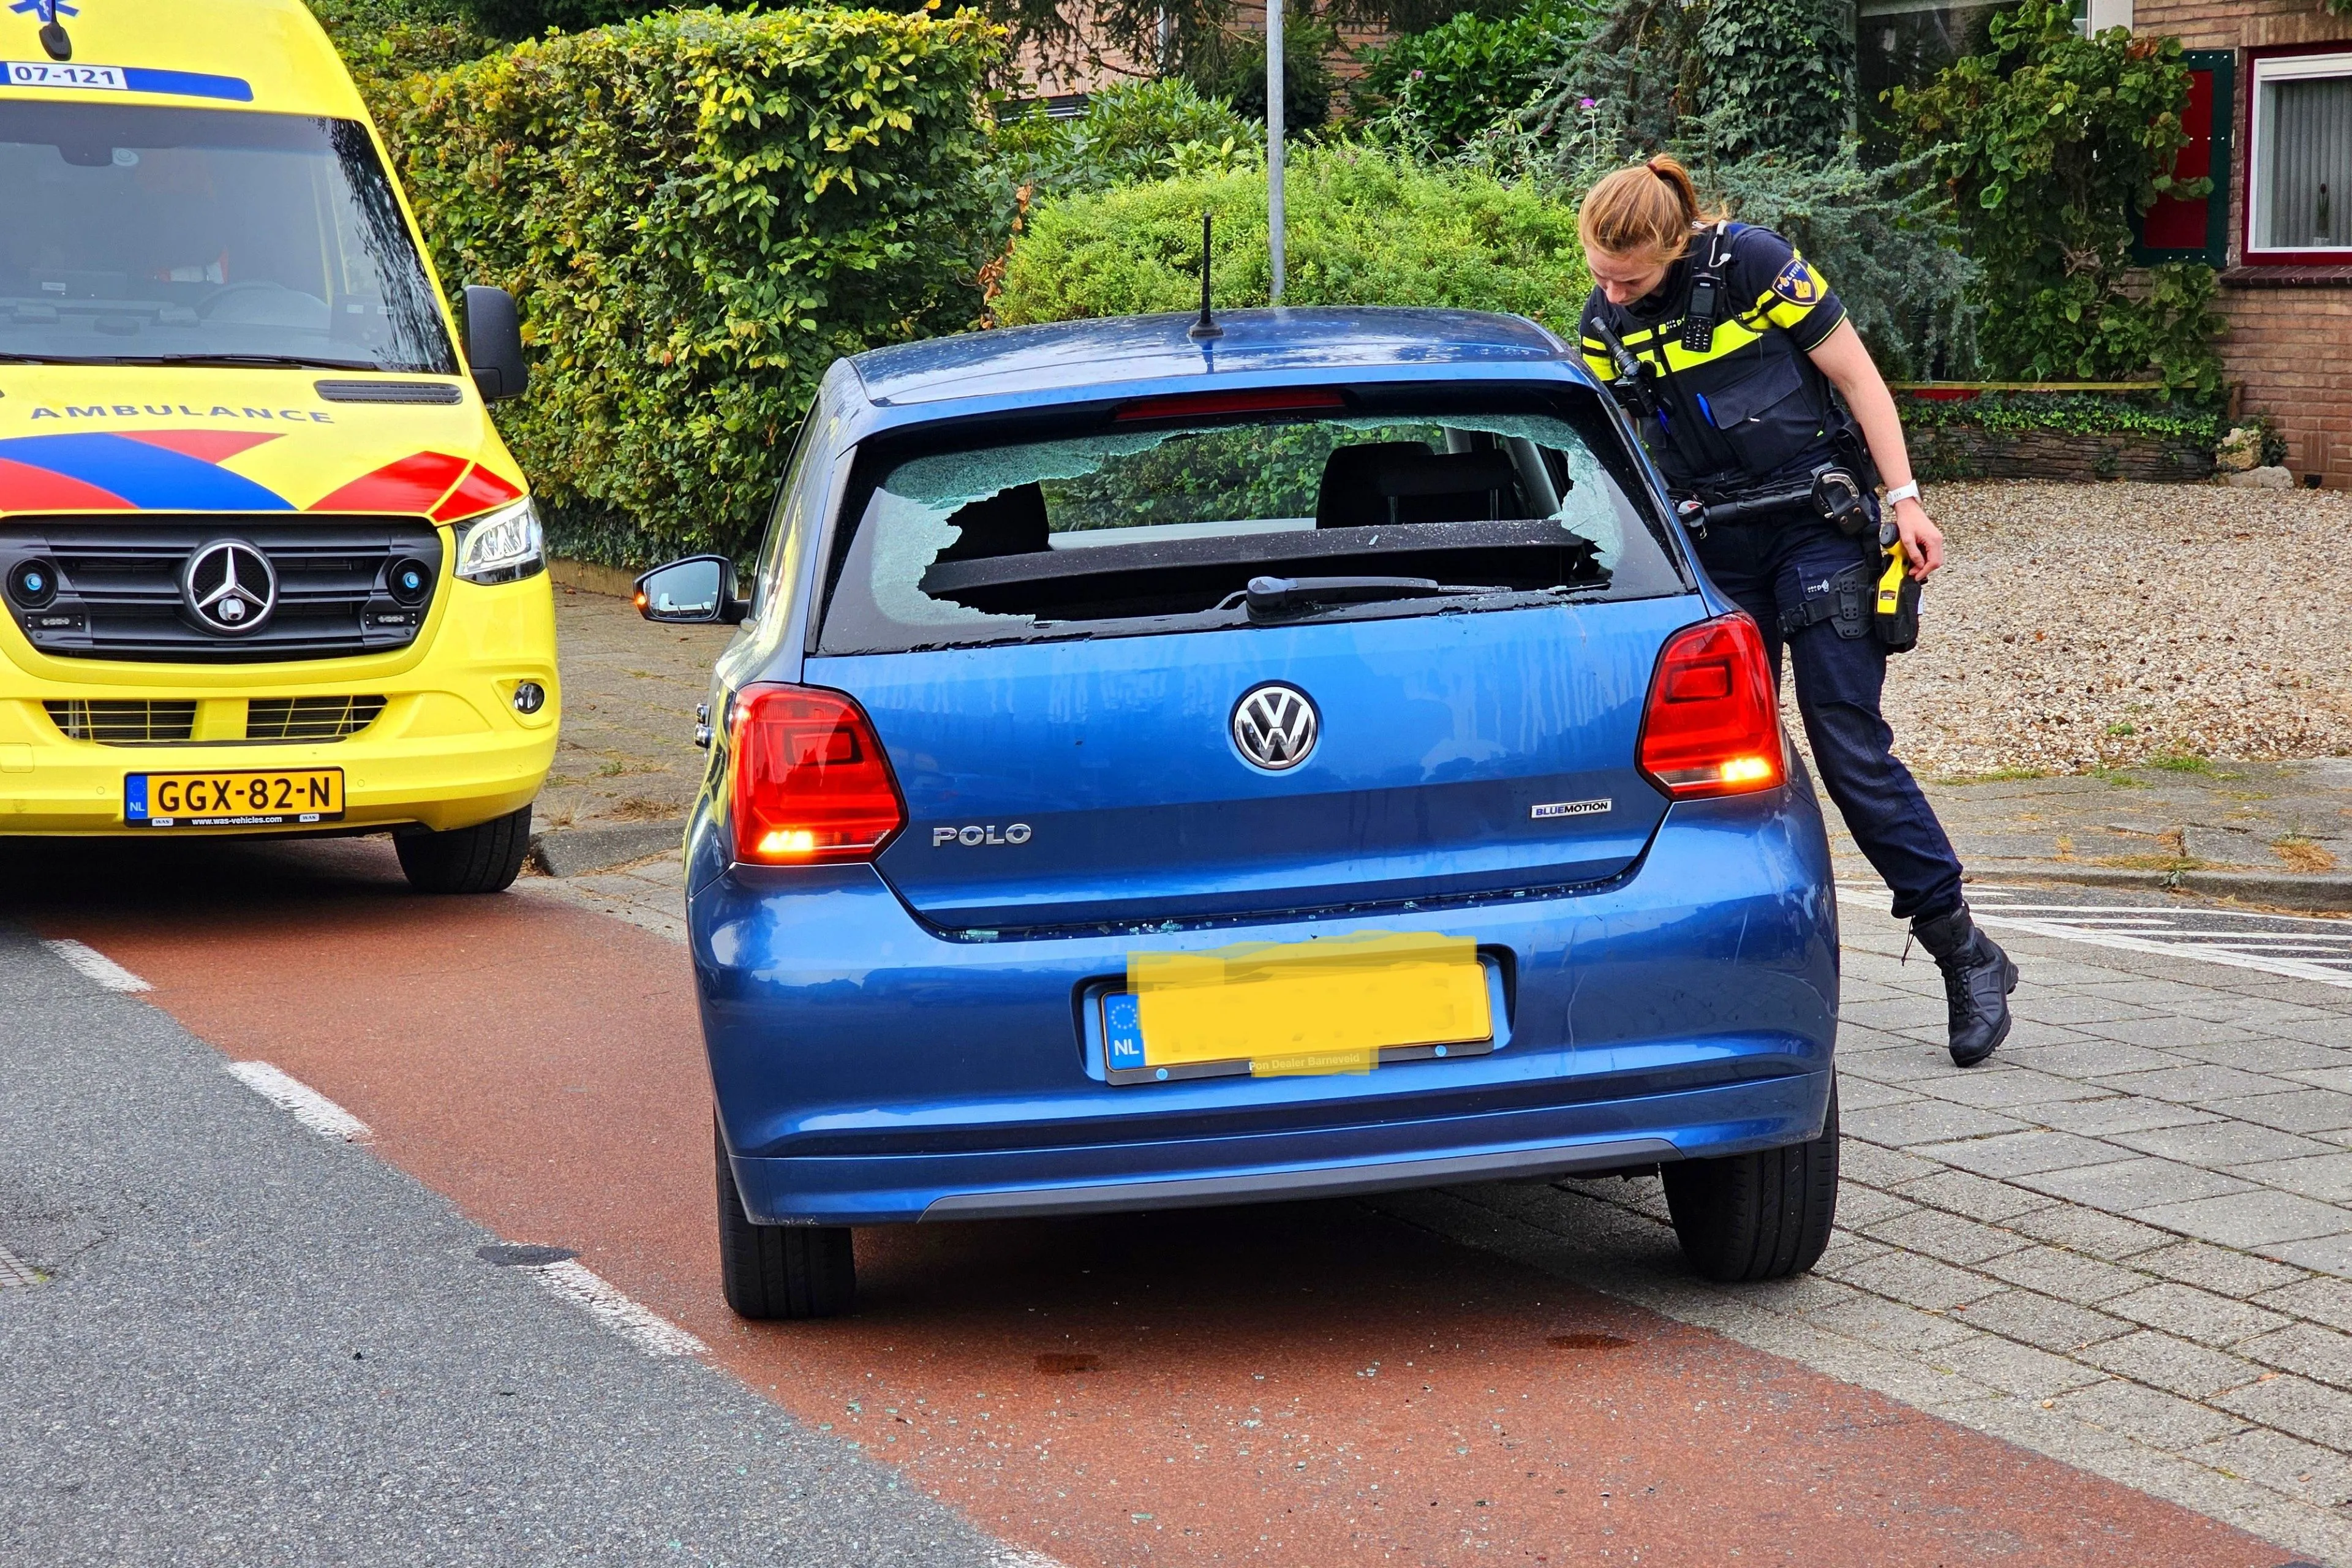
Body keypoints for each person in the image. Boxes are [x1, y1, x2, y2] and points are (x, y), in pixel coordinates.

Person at [1575, 154, 2016, 1068]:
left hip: (1815, 528)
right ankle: (1730, 978)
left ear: (1674, 246)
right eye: (1598, 273)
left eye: (1628, 277)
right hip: (1713, 551)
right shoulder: (1601, 325)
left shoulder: (1753, 264)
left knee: (1847, 743)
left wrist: (1906, 501)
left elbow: (1859, 380)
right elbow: (1619, 472)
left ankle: (1962, 951)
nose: (1611, 293)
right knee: (1723, 763)